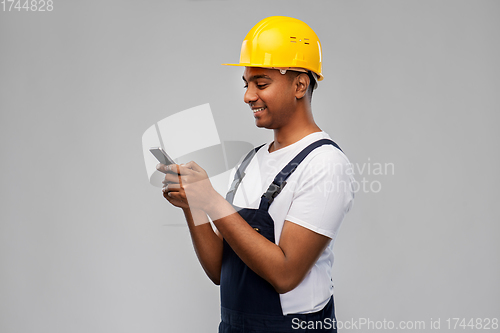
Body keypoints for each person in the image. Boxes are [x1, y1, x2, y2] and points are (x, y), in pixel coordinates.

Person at [157, 16, 355, 333]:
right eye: (247, 84)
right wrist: (193, 205)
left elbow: (286, 274)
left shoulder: (325, 164)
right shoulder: (251, 160)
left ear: (300, 85)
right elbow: (222, 271)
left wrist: (213, 201)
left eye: (261, 84)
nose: (249, 96)